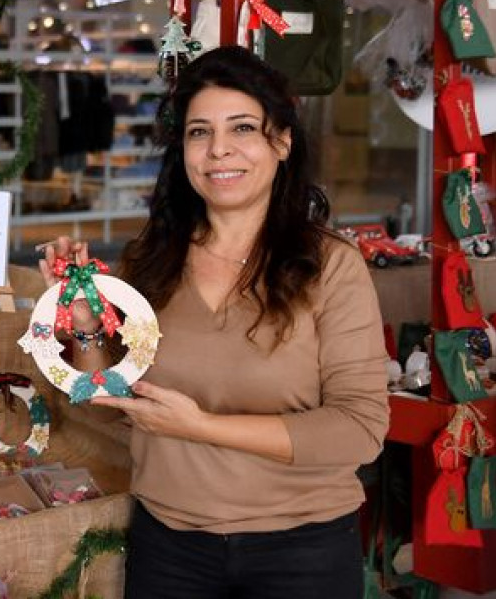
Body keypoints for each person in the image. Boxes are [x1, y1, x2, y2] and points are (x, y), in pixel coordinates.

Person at [39, 46, 387, 599]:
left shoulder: (330, 266)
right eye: (199, 132)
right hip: (171, 548)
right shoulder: (149, 261)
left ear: (282, 142)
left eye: (242, 127)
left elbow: (360, 429)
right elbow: (104, 392)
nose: (218, 149)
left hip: (303, 551)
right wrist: (81, 315)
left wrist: (199, 426)